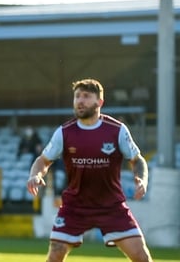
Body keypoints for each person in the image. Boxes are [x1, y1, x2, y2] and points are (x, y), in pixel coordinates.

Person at [26, 78, 153, 262]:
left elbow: (137, 159)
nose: (80, 101)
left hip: (111, 206)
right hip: (74, 206)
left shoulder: (116, 130)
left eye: (86, 96)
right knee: (55, 255)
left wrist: (141, 178)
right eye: (77, 96)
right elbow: (43, 160)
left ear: (99, 102)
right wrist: (35, 174)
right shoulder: (64, 132)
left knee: (142, 257)